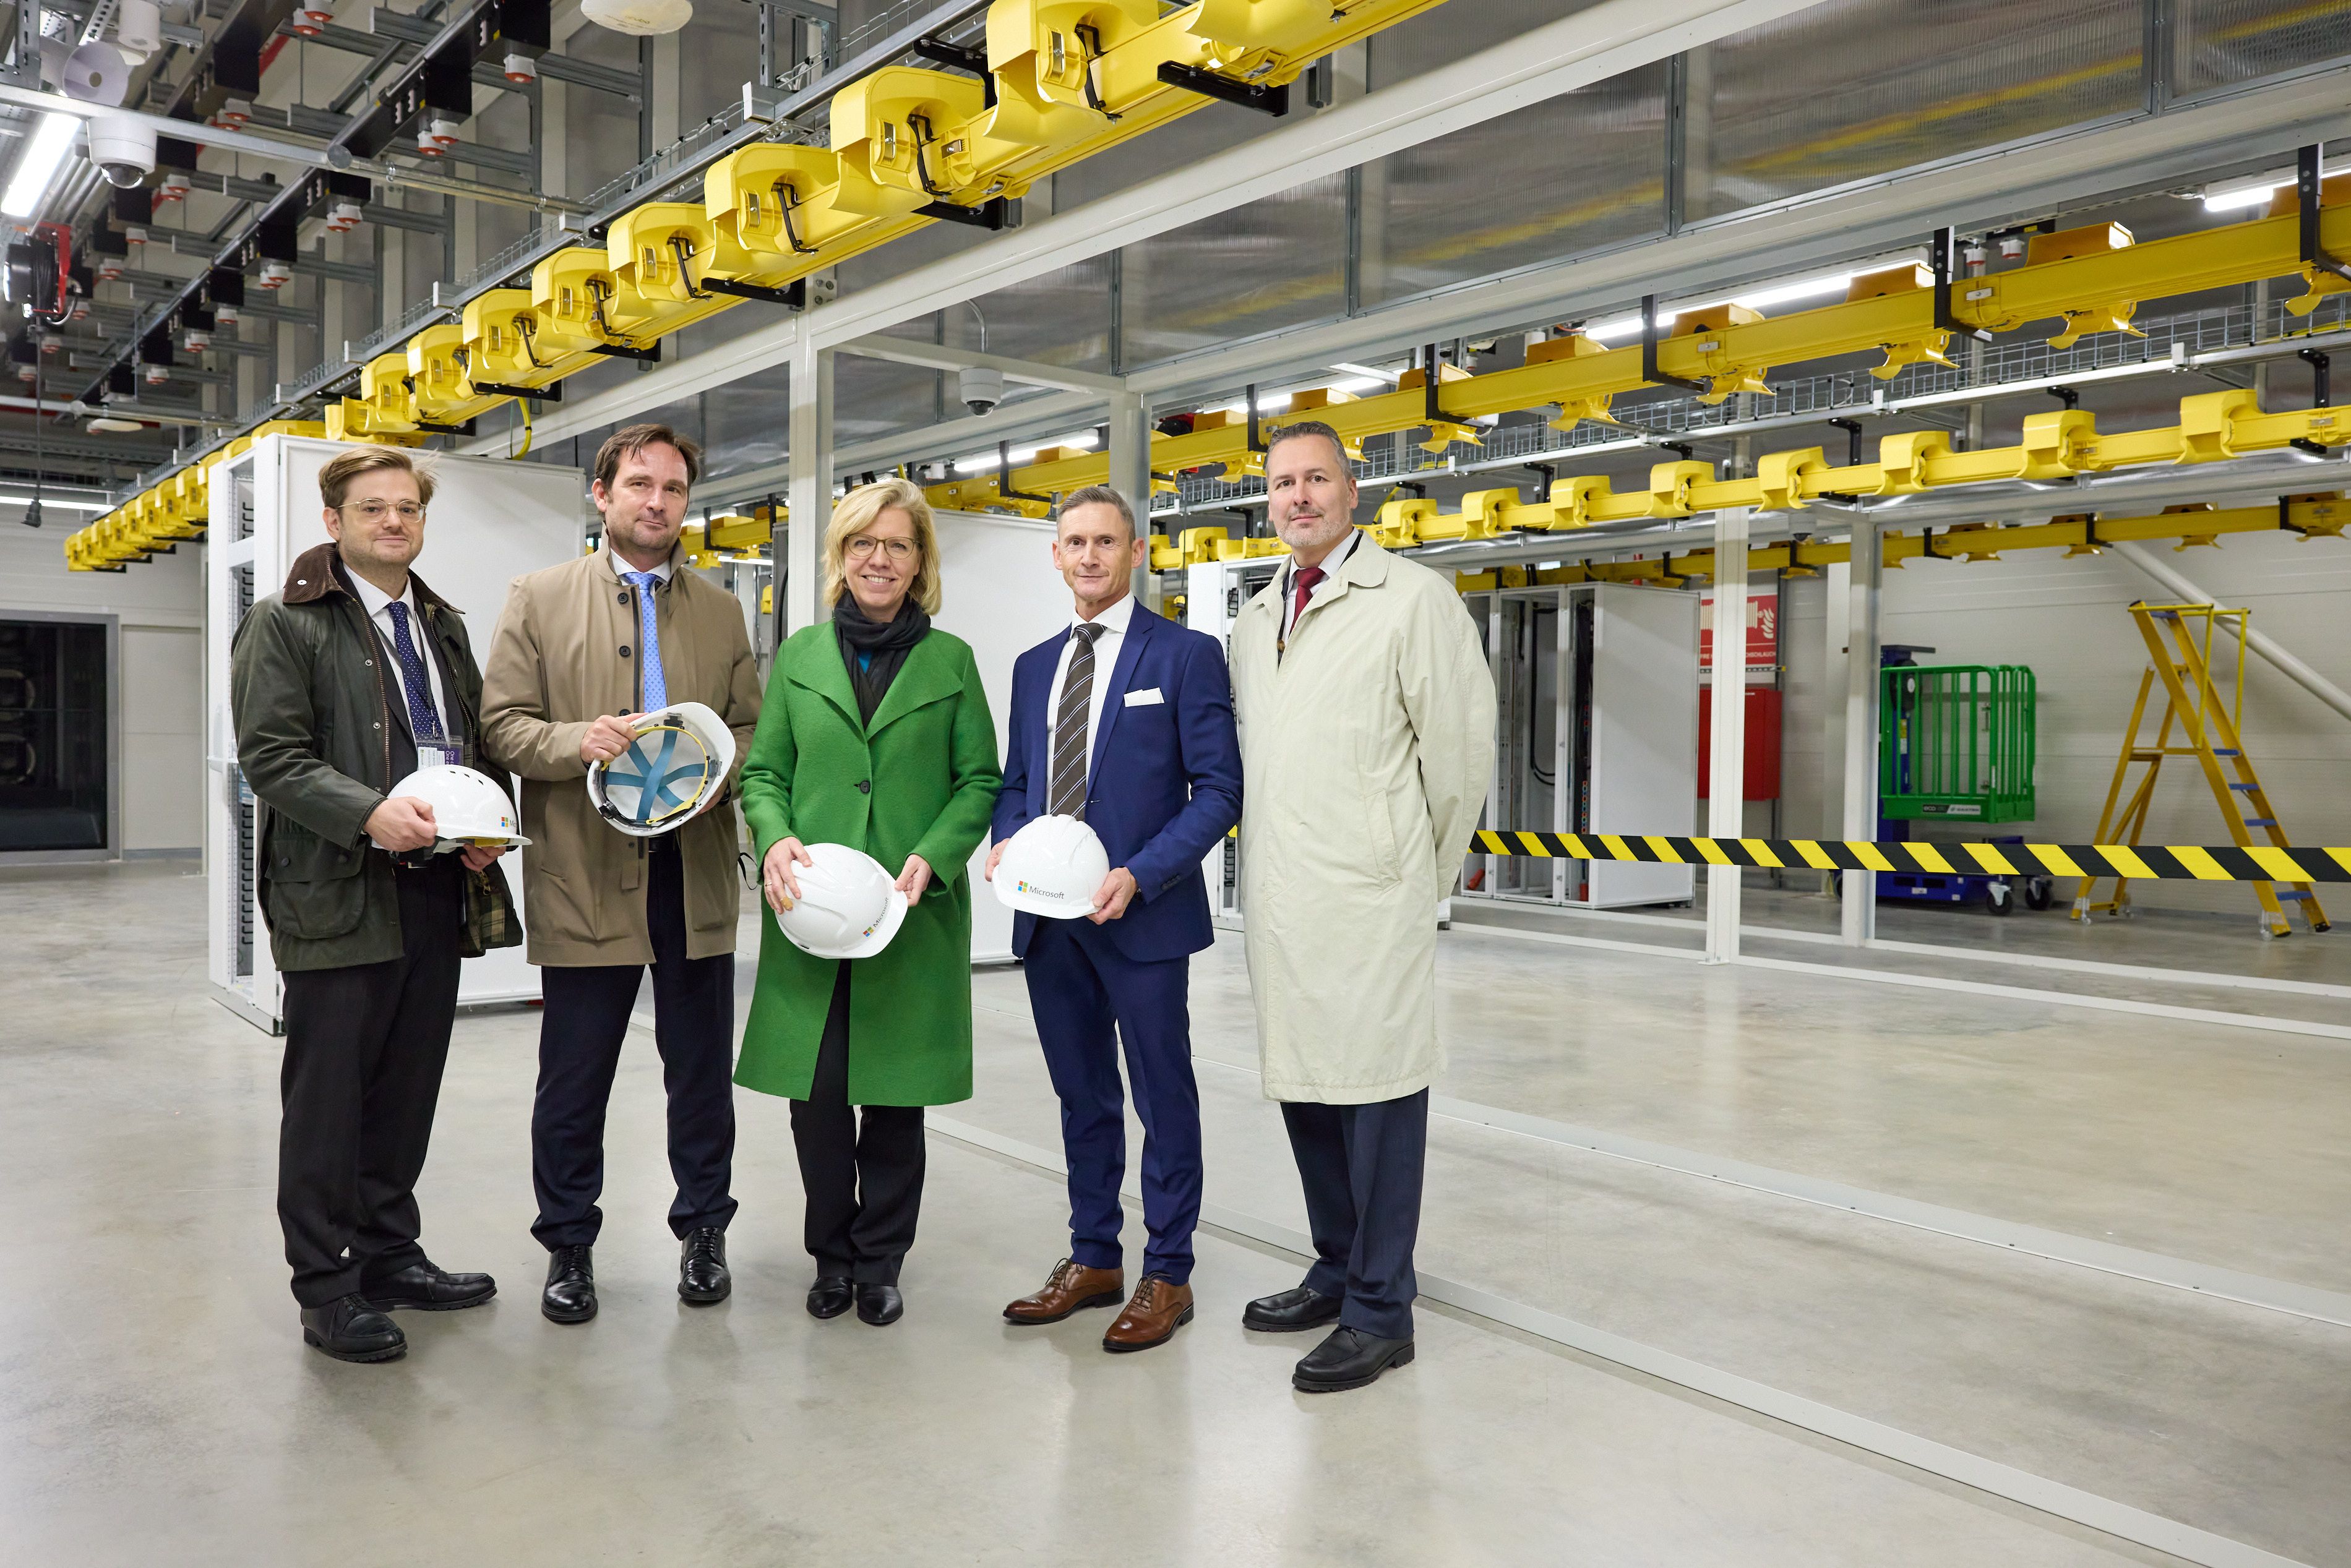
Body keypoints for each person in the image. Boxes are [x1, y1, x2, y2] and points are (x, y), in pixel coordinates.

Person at [230, 446, 518, 1363]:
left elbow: (465, 740)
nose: (393, 522)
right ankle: (326, 1288)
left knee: (405, 1090)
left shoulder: (442, 626)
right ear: (334, 522)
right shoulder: (286, 623)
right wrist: (370, 814)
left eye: (407, 509)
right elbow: (272, 759)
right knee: (328, 1103)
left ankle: (391, 1254)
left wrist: (486, 826)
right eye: (372, 509)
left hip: (435, 884)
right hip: (338, 891)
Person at [1227, 420, 1496, 1393]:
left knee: (1379, 1095)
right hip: (1285, 897)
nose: (1298, 497)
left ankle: (1383, 1309)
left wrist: (1412, 877)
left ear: (1354, 490)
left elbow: (1461, 758)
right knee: (1308, 1086)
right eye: (1282, 483)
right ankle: (1337, 1266)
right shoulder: (1259, 620)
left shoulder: (1412, 602)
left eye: (1316, 479)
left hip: (1372, 894)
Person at [479, 424, 762, 1325]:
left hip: (695, 872)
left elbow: (753, 728)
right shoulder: (539, 597)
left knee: (700, 1072)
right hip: (585, 872)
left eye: (674, 489)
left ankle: (704, 1231)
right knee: (575, 1075)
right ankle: (568, 1244)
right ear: (601, 495)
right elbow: (503, 726)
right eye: (639, 484)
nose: (657, 502)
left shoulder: (720, 611)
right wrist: (576, 741)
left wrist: (724, 773)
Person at [736, 477, 1001, 1328]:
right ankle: (831, 1253)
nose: (879, 559)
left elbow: (979, 780)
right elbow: (765, 772)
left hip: (905, 911)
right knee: (814, 1097)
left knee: (893, 1096)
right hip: (811, 911)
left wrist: (936, 854)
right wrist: (773, 836)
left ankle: (881, 1260)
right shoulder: (801, 656)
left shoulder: (951, 660)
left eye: (897, 545)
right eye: (863, 544)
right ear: (840, 557)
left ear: (919, 561)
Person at [989, 485, 1242, 1352]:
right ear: (1055, 556)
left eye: (1107, 542)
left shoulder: (1185, 655)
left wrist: (1143, 873)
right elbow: (1017, 781)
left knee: (1162, 1094)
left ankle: (1168, 1272)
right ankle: (1094, 1258)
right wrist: (1006, 843)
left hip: (1142, 919)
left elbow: (1219, 791)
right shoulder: (1032, 666)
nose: (1090, 556)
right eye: (1074, 542)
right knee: (1081, 1095)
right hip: (1049, 923)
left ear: (1138, 553)